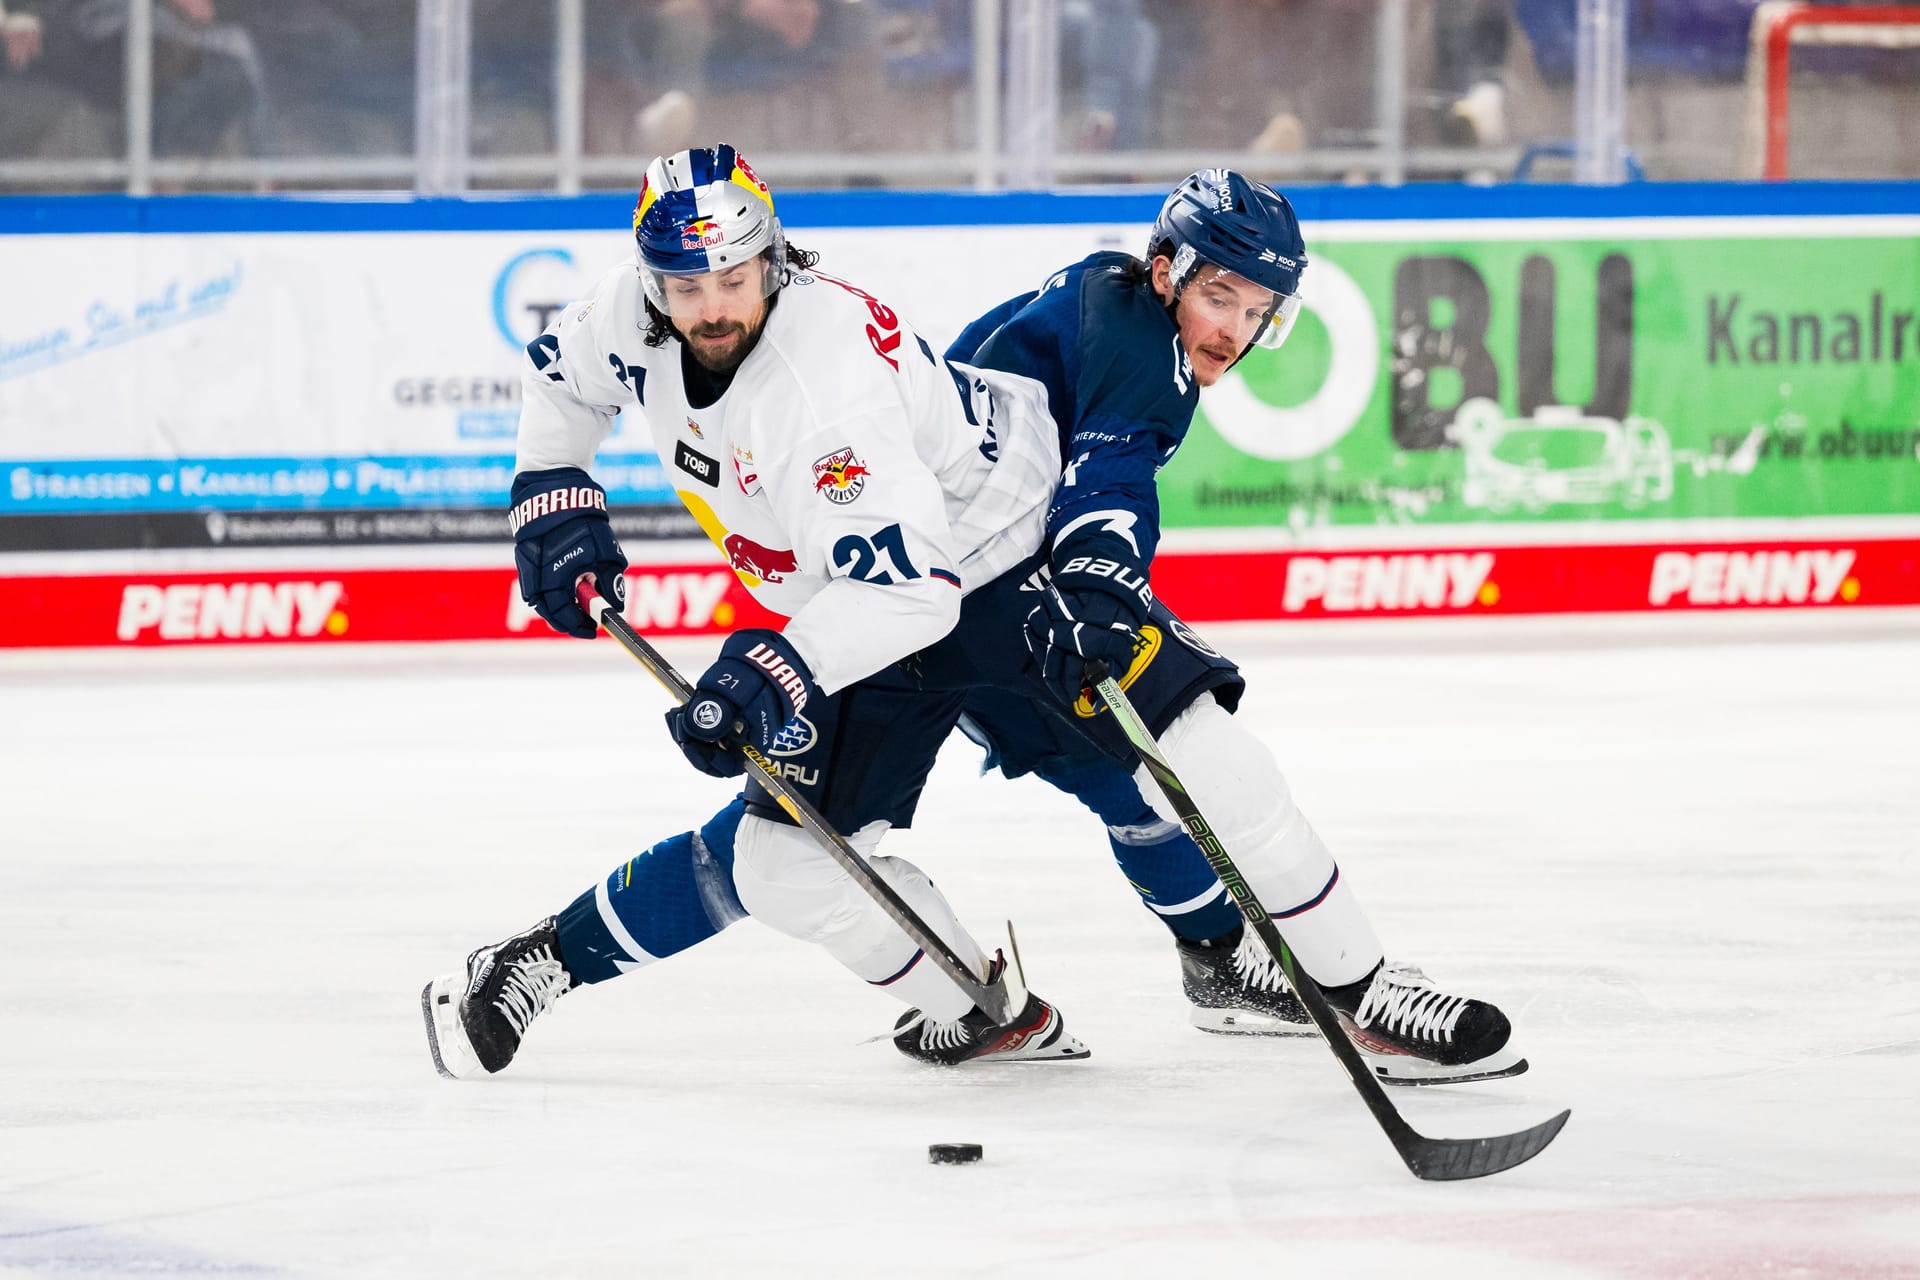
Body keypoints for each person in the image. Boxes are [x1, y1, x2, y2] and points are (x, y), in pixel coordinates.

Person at [423, 148, 1525, 1087]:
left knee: (1187, 753)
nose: (712, 304)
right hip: (865, 602)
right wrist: (553, 497)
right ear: (653, 275)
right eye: (685, 281)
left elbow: (985, 549)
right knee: (781, 862)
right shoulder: (638, 310)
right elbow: (562, 387)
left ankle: (1362, 988)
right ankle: (970, 999)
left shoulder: (828, 387)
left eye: (735, 276)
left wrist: (788, 666)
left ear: (775, 257)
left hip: (991, 570)